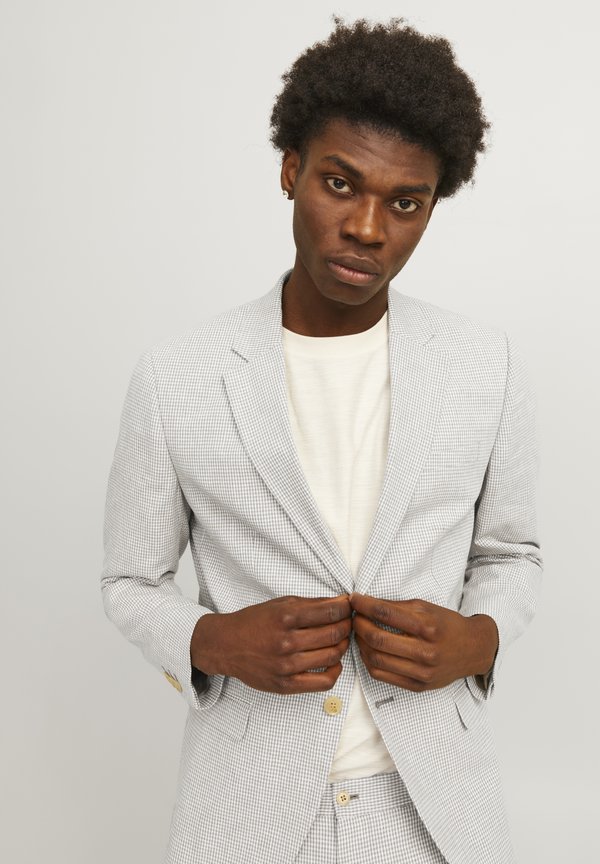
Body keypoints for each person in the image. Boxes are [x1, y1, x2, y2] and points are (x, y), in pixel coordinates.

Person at [101, 17, 542, 864]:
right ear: (291, 169)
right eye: (341, 184)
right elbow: (129, 579)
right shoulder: (177, 376)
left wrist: (479, 638)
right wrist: (209, 641)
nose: (368, 228)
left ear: (430, 209)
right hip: (249, 813)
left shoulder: (484, 366)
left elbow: (512, 554)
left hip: (436, 811)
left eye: (405, 203)